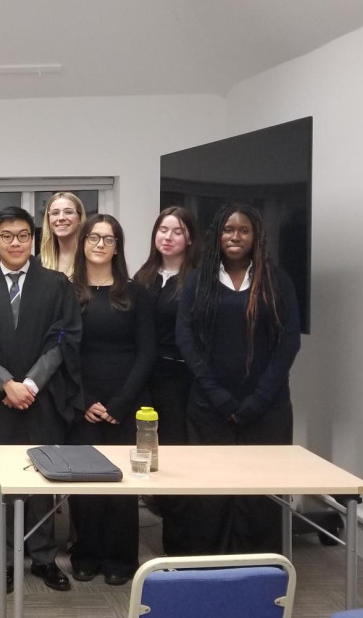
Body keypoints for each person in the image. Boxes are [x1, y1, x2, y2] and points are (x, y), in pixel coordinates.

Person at [0, 207, 82, 593]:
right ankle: (6, 560)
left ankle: (45, 558)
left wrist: (31, 384)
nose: (15, 243)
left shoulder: (56, 284)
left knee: (41, 477)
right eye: (6, 236)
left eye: (22, 235)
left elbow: (64, 337)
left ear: (32, 239)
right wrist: (5, 383)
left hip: (42, 398)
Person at [176, 203, 301, 554]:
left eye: (243, 230)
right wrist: (218, 395)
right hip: (208, 406)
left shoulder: (277, 282)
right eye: (228, 229)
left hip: (267, 409)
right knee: (209, 495)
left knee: (260, 494)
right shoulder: (199, 280)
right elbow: (185, 339)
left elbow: (288, 343)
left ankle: (260, 572)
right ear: (218, 234)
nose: (235, 236)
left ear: (256, 236)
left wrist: (258, 400)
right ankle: (209, 571)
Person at [66, 214, 154, 586]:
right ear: (83, 242)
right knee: (85, 484)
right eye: (94, 237)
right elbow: (63, 351)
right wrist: (84, 399)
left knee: (122, 485)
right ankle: (86, 553)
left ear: (117, 246)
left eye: (108, 239)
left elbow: (146, 353)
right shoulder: (66, 292)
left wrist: (120, 403)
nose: (100, 245)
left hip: (126, 401)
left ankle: (120, 557)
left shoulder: (136, 293)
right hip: (82, 400)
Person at [132, 206, 200, 554]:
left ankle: (180, 548)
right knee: (145, 460)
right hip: (145, 380)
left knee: (176, 461)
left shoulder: (199, 280)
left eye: (176, 231)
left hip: (180, 383)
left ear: (189, 238)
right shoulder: (142, 277)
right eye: (162, 230)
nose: (168, 237)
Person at [38, 191, 87, 279]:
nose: (61, 218)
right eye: (55, 213)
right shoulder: (40, 262)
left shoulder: (90, 257)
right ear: (48, 220)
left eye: (68, 212)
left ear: (80, 218)